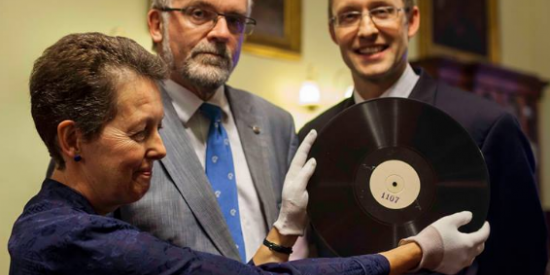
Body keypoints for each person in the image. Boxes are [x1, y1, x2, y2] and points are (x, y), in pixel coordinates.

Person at [10, 32, 489, 275]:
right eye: (140, 133)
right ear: (72, 141)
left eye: (159, 127)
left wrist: (284, 229)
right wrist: (416, 252)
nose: (159, 147)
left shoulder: (277, 123)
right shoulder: (65, 237)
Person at [298, 0, 548, 275]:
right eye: (349, 16)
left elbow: (524, 259)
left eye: (382, 11)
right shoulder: (314, 136)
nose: (366, 29)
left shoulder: (488, 124)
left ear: (412, 20)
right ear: (333, 32)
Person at [117, 0, 304, 262]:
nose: (222, 33)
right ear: (158, 24)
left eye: (235, 21)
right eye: (199, 13)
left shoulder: (276, 123)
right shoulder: (114, 121)